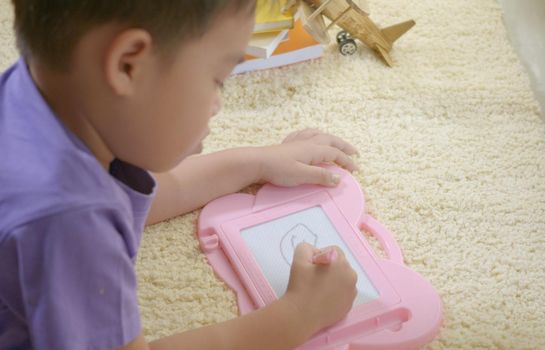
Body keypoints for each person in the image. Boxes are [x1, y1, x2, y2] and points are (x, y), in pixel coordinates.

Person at [0, 1, 359, 349]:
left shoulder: (35, 91)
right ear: (128, 65)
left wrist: (258, 161)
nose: (218, 104)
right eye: (217, 80)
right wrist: (298, 315)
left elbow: (143, 193)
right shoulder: (72, 221)